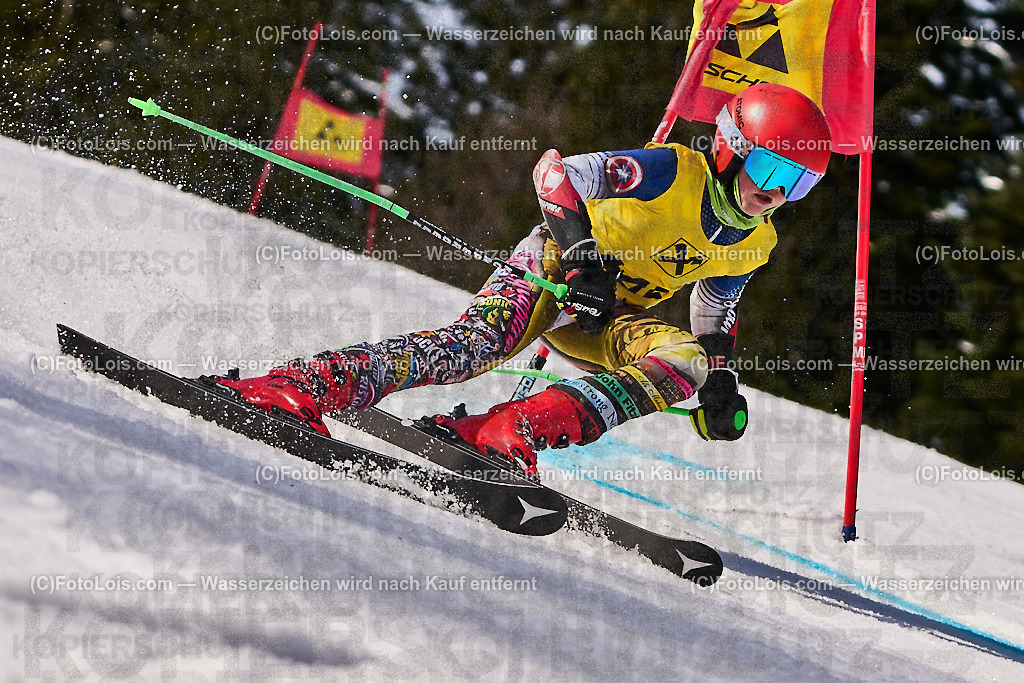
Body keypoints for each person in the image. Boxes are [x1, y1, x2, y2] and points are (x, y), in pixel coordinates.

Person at [206, 83, 832, 478]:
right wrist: (582, 257)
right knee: (473, 349)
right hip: (555, 272)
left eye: (800, 183)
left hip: (605, 318)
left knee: (685, 362)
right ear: (731, 146)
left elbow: (714, 313)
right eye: (771, 169)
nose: (777, 193)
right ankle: (297, 385)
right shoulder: (671, 171)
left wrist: (719, 383)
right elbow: (555, 174)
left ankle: (502, 431)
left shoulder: (757, 242)